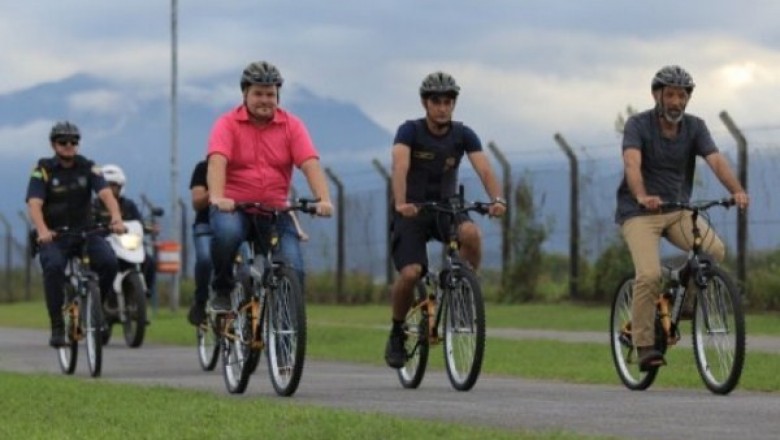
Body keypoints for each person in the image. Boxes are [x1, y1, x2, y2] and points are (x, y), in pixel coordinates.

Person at [614, 65, 749, 371]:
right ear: (657, 95)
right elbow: (632, 163)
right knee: (649, 275)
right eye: (671, 95)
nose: (676, 102)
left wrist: (737, 191)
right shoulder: (638, 125)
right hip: (639, 212)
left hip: (677, 209)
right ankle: (645, 345)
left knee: (713, 252)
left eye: (682, 96)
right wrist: (641, 195)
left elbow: (716, 160)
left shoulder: (695, 127)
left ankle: (683, 304)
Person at [384, 72, 507, 369]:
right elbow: (400, 167)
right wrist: (401, 202)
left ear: (454, 104)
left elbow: (485, 169)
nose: (442, 108)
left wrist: (497, 199)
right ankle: (397, 330)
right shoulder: (409, 131)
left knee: (472, 234)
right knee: (411, 273)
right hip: (411, 209)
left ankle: (461, 292)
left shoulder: (463, 134)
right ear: (425, 103)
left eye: (448, 102)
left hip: (445, 207)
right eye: (436, 102)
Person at [206, 60, 333, 312]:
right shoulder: (227, 124)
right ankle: (222, 288)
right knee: (227, 235)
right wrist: (218, 197)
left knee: (294, 267)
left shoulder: (292, 126)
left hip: (275, 211)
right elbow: (217, 161)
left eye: (270, 94)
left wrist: (324, 199)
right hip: (235, 208)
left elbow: (309, 163)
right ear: (245, 94)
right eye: (258, 94)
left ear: (278, 96)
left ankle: (284, 326)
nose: (265, 100)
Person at [26, 121, 125, 347]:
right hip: (55, 236)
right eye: (63, 142)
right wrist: (42, 231)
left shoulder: (88, 167)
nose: (69, 145)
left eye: (74, 141)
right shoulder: (43, 170)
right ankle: (57, 326)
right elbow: (34, 203)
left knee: (109, 262)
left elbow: (106, 194)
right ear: (54, 145)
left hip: (86, 232)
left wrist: (116, 217)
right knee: (53, 268)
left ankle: (96, 307)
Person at [92, 164, 157, 301]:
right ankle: (100, 292)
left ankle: (146, 292)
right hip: (106, 245)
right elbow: (89, 225)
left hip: (126, 244)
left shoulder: (129, 205)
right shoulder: (94, 205)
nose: (110, 189)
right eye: (106, 185)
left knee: (149, 261)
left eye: (114, 185)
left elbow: (139, 222)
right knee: (104, 263)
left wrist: (148, 228)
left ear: (121, 186)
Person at [187, 159, 212, 325]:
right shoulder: (203, 168)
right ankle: (200, 301)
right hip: (206, 225)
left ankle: (233, 319)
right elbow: (197, 203)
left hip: (240, 223)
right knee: (205, 259)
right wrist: (216, 189)